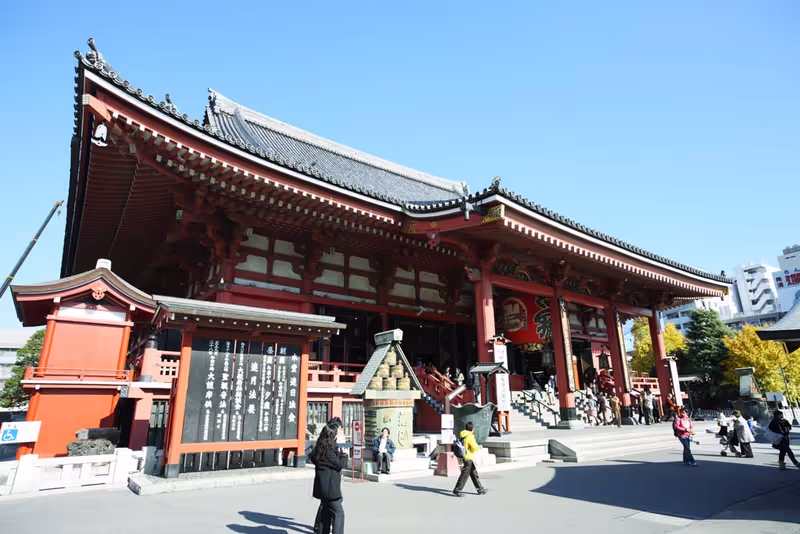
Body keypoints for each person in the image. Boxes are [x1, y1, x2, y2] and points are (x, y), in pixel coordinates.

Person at [309, 418, 348, 534]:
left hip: (322, 485)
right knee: (338, 513)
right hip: (330, 488)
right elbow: (340, 464)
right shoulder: (329, 451)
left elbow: (312, 457)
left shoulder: (321, 446)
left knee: (325, 513)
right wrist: (344, 454)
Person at [453, 421, 487, 497]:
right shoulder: (470, 436)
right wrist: (477, 446)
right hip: (468, 457)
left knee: (474, 474)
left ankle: (480, 489)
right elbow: (475, 447)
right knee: (464, 475)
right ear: (472, 429)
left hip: (465, 456)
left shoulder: (462, 435)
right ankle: (457, 490)